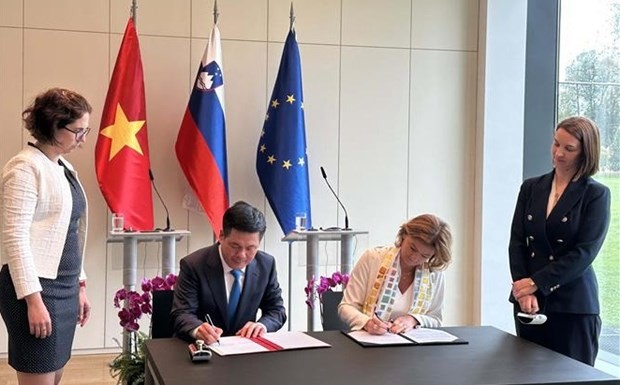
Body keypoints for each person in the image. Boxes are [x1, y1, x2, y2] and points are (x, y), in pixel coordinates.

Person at [0, 88, 92, 385]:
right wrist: (33, 301)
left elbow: (69, 230)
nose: (83, 139)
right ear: (54, 125)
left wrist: (80, 284)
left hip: (64, 287)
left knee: (54, 375)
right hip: (34, 290)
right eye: (78, 131)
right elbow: (14, 238)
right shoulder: (25, 168)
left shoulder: (63, 166)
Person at [509, 116, 611, 366]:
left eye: (569, 148)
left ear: (586, 152)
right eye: (556, 144)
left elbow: (584, 253)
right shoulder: (531, 187)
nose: (558, 153)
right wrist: (523, 290)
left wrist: (536, 283)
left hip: (573, 306)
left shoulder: (596, 194)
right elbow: (518, 242)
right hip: (529, 304)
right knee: (526, 377)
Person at [171, 201, 286, 343]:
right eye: (235, 246)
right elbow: (182, 313)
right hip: (202, 349)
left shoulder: (266, 265)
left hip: (245, 350)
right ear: (221, 236)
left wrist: (262, 325)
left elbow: (277, 310)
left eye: (250, 248)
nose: (242, 255)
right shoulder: (194, 265)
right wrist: (198, 328)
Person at [339, 214, 452, 334]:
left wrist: (413, 320)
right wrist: (367, 323)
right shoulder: (372, 258)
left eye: (425, 256)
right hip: (370, 343)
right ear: (404, 235)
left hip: (414, 348)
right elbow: (346, 307)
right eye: (412, 248)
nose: (414, 258)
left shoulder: (434, 272)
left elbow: (435, 318)